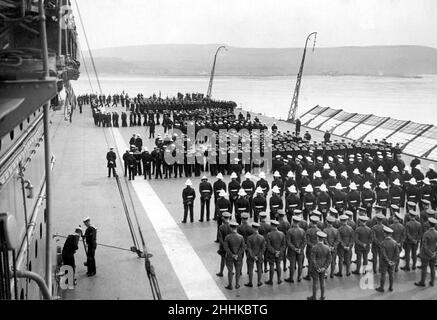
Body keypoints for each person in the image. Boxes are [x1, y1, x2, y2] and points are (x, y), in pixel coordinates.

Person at [307, 231, 331, 300]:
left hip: (315, 268)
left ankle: (314, 297)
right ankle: (322, 296)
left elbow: (312, 259)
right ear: (324, 239)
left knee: (315, 282)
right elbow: (329, 259)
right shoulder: (327, 247)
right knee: (322, 282)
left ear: (317, 238)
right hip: (323, 266)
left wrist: (317, 267)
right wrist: (324, 267)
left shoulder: (314, 247)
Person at [375, 226, 399, 292]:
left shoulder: (383, 243)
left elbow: (383, 254)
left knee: (383, 275)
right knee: (391, 275)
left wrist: (388, 261)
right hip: (392, 263)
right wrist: (393, 261)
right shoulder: (395, 242)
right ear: (391, 234)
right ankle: (391, 287)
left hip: (384, 262)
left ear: (385, 234)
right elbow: (397, 253)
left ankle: (381, 288)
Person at [414, 217, 437, 287]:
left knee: (424, 269)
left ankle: (422, 282)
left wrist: (429, 253)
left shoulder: (426, 233)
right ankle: (432, 281)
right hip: (434, 254)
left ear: (429, 225)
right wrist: (435, 252)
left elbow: (424, 245)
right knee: (432, 268)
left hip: (426, 254)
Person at [223, 221, 245, 290]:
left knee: (230, 271)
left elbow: (226, 247)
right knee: (238, 271)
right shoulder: (241, 237)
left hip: (230, 256)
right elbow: (242, 247)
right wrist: (237, 255)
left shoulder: (227, 237)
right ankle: (237, 284)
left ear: (230, 228)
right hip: (238, 257)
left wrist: (232, 255)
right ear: (237, 228)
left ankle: (230, 285)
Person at [285, 215, 306, 283]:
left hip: (292, 251)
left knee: (292, 264)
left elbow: (288, 241)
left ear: (293, 221)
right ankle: (299, 277)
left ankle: (291, 278)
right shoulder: (302, 231)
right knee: (300, 264)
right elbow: (304, 241)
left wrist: (294, 249)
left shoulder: (290, 231)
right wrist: (300, 249)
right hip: (300, 251)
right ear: (298, 222)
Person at [265, 220, 286, 285]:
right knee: (278, 265)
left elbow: (268, 245)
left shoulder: (269, 234)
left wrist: (274, 252)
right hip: (279, 253)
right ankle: (279, 280)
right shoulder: (282, 234)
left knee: (271, 265)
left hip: (271, 253)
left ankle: (271, 280)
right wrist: (279, 252)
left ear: (271, 225)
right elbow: (284, 245)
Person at [246, 222, 266, 287]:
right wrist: (259, 255)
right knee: (259, 269)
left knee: (250, 269)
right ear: (258, 228)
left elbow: (249, 248)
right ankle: (259, 282)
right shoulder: (262, 237)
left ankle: (250, 282)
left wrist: (253, 256)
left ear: (252, 228)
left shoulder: (249, 237)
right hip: (259, 255)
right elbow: (263, 248)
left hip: (251, 255)